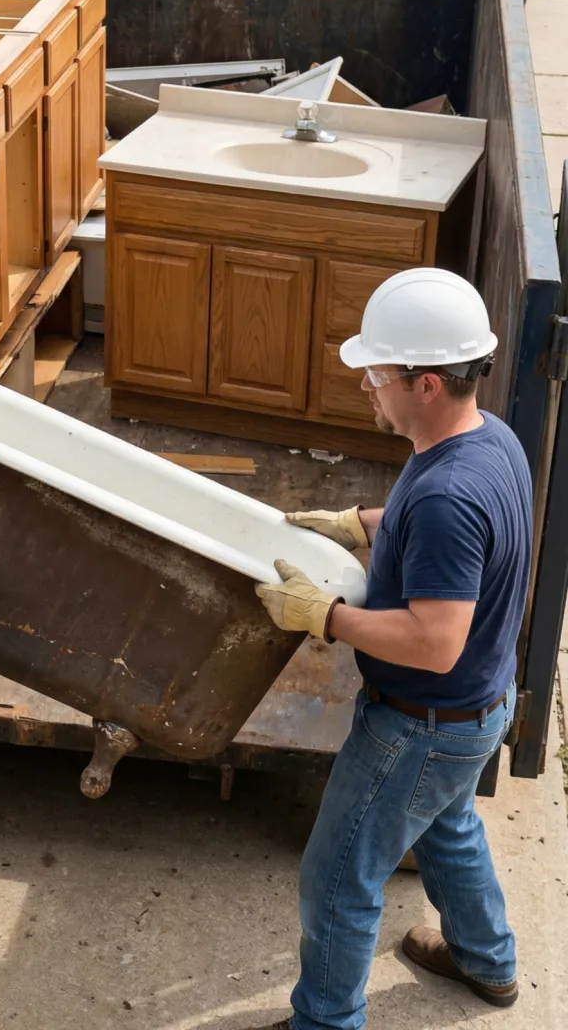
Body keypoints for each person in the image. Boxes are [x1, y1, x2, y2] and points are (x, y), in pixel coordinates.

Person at [249, 268, 531, 1030]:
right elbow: (440, 532)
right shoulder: (487, 437)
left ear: (428, 381)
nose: (367, 385)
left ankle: (325, 1023)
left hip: (420, 720)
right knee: (446, 825)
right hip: (476, 709)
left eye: (378, 372)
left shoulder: (447, 496)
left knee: (338, 883)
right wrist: (361, 522)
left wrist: (326, 615)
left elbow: (435, 642)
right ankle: (487, 960)